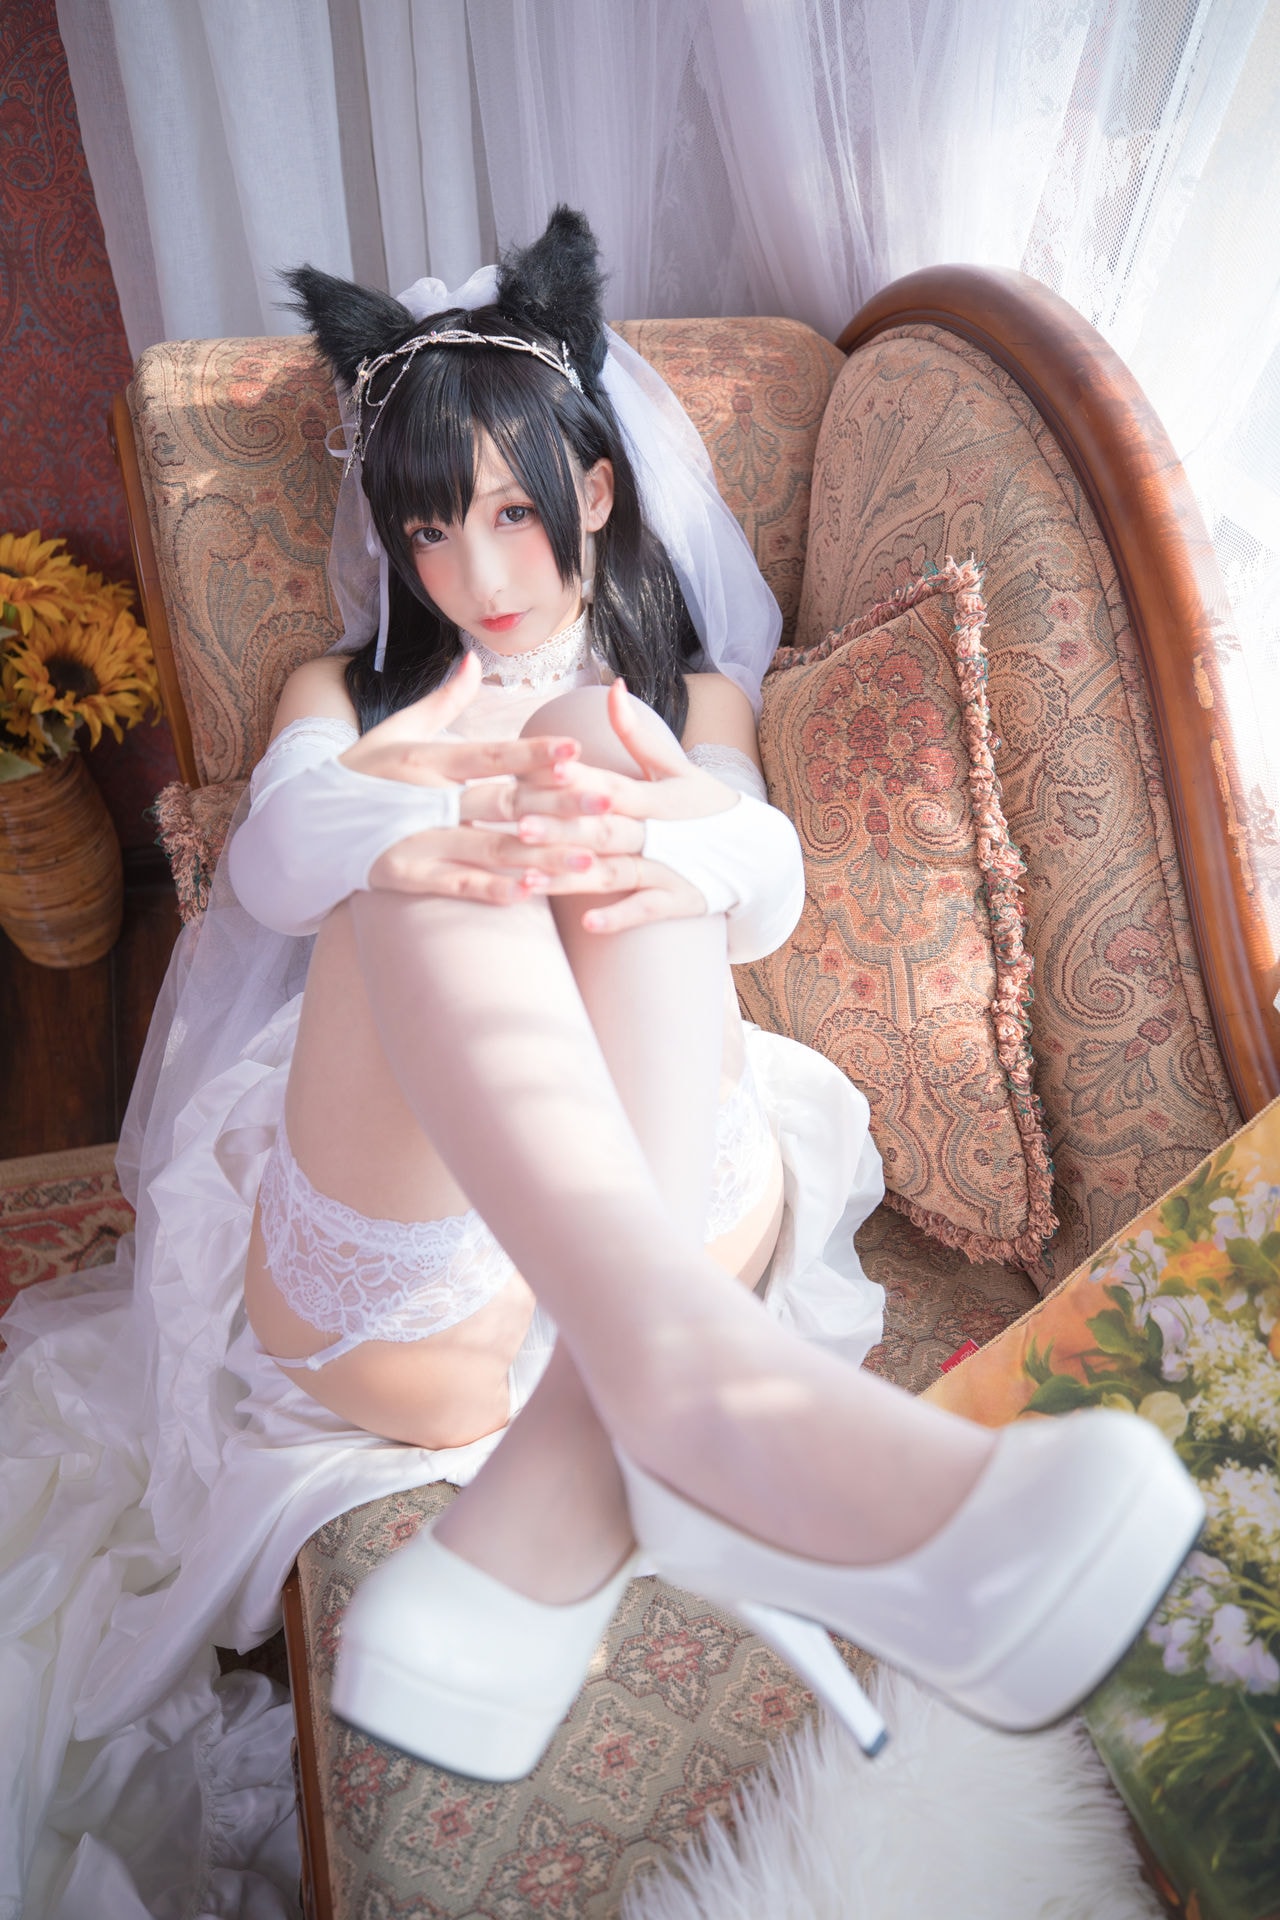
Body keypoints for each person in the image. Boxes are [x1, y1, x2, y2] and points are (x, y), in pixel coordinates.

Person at [0, 208, 1200, 1916]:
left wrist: (657, 816)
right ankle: (694, 1427)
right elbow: (269, 868)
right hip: (424, 1293)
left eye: (511, 511)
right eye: (430, 529)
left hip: (660, 1176)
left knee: (587, 744)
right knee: (433, 830)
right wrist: (420, 788)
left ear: (597, 487)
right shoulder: (348, 692)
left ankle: (603, 1456)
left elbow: (765, 882)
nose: (476, 573)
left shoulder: (680, 692)